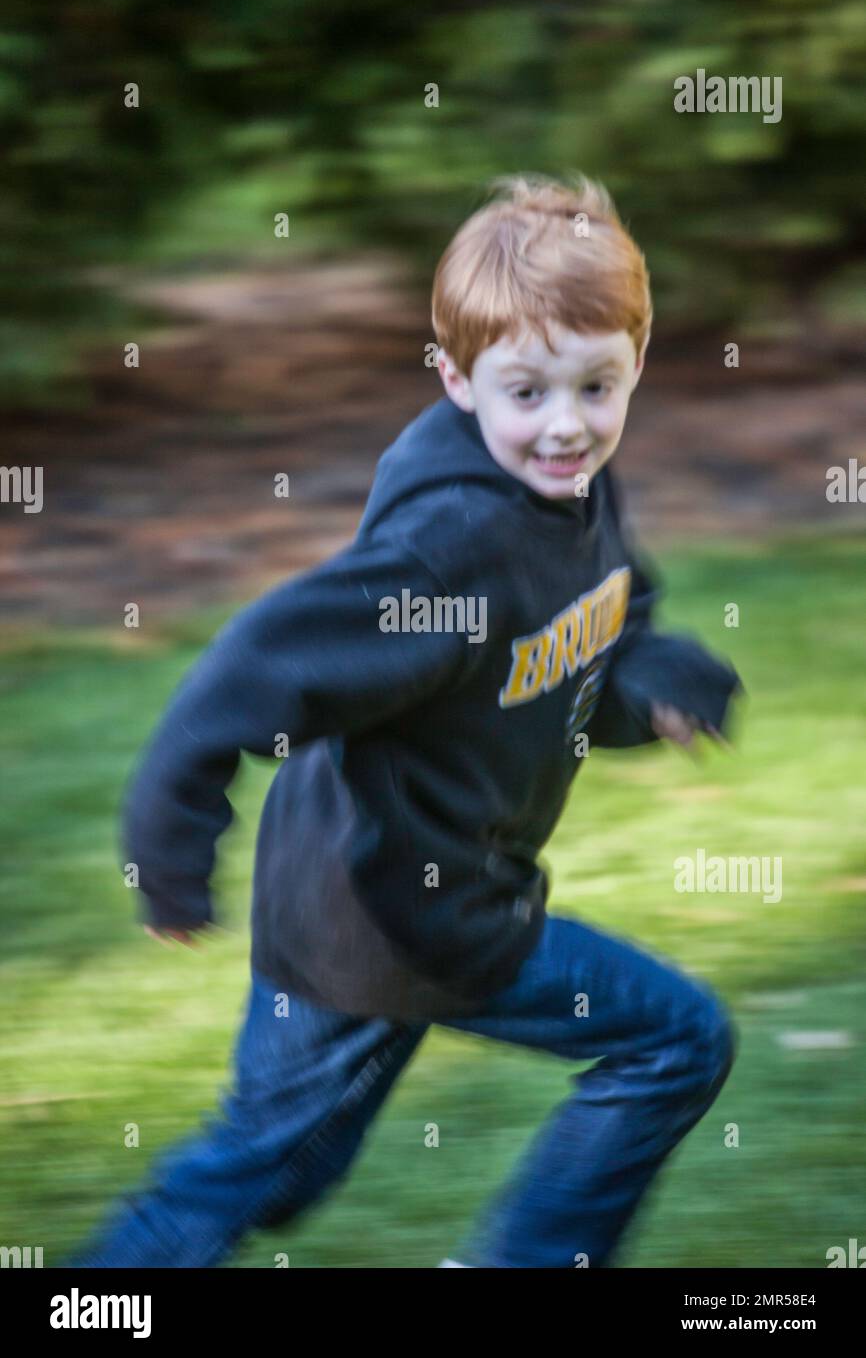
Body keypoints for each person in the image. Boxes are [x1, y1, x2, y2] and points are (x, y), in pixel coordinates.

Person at [64, 173, 743, 1269]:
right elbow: (253, 667)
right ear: (456, 380)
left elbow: (596, 631)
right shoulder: (447, 549)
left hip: (425, 903)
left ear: (637, 359)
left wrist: (661, 682)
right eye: (526, 392)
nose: (565, 426)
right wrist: (168, 850)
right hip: (380, 913)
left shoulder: (572, 493)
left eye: (594, 387)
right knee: (674, 1038)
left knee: (272, 1168)